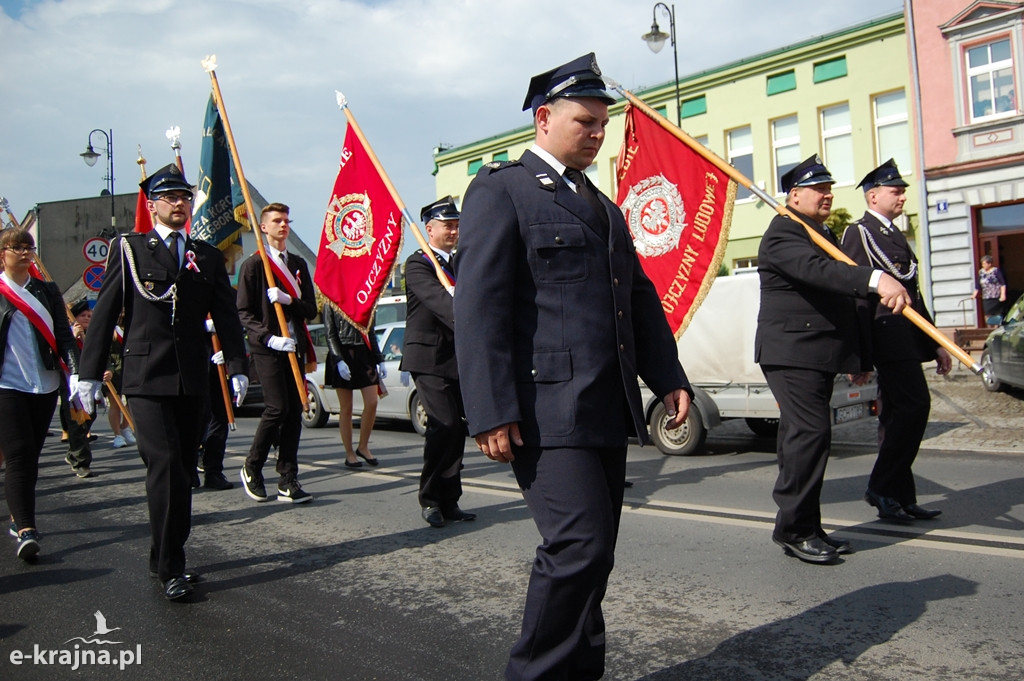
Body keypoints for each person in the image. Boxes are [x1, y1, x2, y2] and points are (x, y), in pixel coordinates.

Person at [453, 54, 692, 680]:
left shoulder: (602, 207)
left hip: (602, 405)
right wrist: (491, 409)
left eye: (602, 124)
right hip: (543, 409)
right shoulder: (500, 189)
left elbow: (638, 299)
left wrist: (668, 376)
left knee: (596, 555)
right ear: (544, 118)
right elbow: (480, 308)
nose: (596, 133)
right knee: (576, 549)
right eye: (585, 120)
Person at [77, 164, 249, 600]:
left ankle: (163, 552)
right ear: (152, 204)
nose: (179, 203)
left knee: (183, 471)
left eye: (184, 197)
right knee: (167, 466)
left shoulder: (205, 256)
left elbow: (226, 316)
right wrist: (88, 373)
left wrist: (238, 365)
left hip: (192, 378)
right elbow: (104, 312)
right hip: (146, 378)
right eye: (169, 197)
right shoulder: (131, 250)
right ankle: (173, 565)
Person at [755, 154, 912, 565]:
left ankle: (804, 523)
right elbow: (818, 273)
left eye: (828, 188)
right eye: (818, 189)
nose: (827, 195)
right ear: (793, 196)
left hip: (816, 353)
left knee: (801, 440)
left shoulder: (819, 232)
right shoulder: (783, 233)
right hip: (791, 354)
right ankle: (795, 529)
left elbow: (842, 302)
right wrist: (875, 278)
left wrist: (858, 356)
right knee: (810, 435)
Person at [841, 159, 952, 521]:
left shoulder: (894, 234)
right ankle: (880, 486)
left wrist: (935, 342)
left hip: (906, 336)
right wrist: (858, 356)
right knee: (915, 407)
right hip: (885, 337)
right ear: (873, 196)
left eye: (903, 190)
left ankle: (900, 495)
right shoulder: (858, 233)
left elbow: (913, 294)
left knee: (896, 417)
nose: (902, 195)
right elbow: (856, 298)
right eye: (895, 190)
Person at [0, 228, 79, 560]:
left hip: (44, 383)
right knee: (17, 454)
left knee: (30, 457)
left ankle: (19, 516)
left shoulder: (46, 290)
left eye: (28, 246)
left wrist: (75, 372)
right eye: (16, 247)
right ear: (2, 253)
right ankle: (26, 528)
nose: (24, 251)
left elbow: (62, 334)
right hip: (7, 385)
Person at [236, 202, 317, 504]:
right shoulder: (254, 265)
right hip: (268, 348)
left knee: (294, 411)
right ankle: (252, 466)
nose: (283, 225)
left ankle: (287, 478)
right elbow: (243, 312)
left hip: (294, 345)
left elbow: (310, 308)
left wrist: (288, 300)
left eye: (286, 220)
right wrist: (268, 338)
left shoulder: (296, 263)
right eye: (276, 221)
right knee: (277, 408)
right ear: (264, 227)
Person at [401, 195, 474, 528]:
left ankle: (450, 499)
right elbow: (437, 302)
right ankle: (430, 499)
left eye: (457, 225)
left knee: (456, 429)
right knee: (444, 424)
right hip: (428, 356)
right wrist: (458, 302)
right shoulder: (418, 263)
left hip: (457, 356)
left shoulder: (459, 263)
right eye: (448, 225)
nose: (454, 231)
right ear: (429, 229)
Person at [322, 301, 384, 468]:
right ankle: (349, 453)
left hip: (364, 354)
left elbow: (370, 330)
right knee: (346, 407)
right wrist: (338, 359)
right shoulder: (330, 301)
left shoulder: (363, 296)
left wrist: (379, 359)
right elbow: (330, 334)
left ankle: (363, 447)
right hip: (342, 352)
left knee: (372, 402)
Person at [194, 319, 236, 491]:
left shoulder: (222, 292)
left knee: (220, 417)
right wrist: (200, 325)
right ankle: (187, 468)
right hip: (191, 358)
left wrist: (229, 350)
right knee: (195, 417)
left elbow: (234, 322)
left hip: (218, 358)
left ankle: (214, 471)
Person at [59, 299, 97, 476]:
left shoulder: (92, 335)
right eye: (83, 316)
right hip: (71, 383)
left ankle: (73, 452)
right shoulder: (67, 335)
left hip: (90, 383)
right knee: (77, 421)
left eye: (89, 315)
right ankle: (81, 462)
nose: (87, 318)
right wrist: (73, 337)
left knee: (90, 416)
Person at [972, 254, 1007, 326]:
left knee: (997, 314)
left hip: (996, 296)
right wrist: (974, 294)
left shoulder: (996, 271)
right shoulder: (981, 272)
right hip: (986, 297)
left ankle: (995, 329)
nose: (983, 265)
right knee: (987, 313)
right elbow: (977, 285)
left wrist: (1003, 294)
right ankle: (989, 328)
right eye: (982, 264)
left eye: (984, 263)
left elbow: (1002, 284)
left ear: (990, 264)